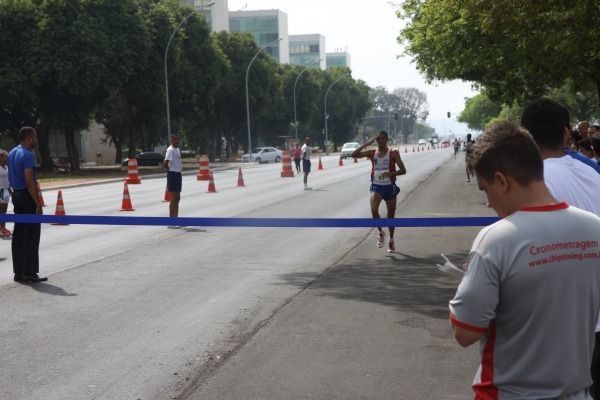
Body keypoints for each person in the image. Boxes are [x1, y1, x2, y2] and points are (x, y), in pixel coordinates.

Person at [450, 121, 600, 399]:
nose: (488, 203)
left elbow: (465, 332)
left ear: (502, 181)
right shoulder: (594, 228)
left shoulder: (496, 239)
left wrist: (474, 281)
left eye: (485, 190)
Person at [521, 99, 600, 398]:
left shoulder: (532, 181)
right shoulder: (592, 171)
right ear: (567, 134)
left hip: (568, 326)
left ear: (524, 136)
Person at [351, 130, 406, 252]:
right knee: (374, 210)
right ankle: (380, 232)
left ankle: (391, 240)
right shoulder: (372, 152)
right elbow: (354, 155)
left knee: (390, 216)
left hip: (389, 187)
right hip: (376, 186)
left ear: (386, 140)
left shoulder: (393, 153)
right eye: (378, 139)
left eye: (382, 139)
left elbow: (403, 170)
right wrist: (367, 143)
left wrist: (391, 173)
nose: (380, 141)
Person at [8, 126, 46, 283]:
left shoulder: (11, 153)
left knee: (18, 233)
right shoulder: (28, 155)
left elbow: (10, 176)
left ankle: (18, 271)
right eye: (35, 137)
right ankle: (29, 272)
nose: (36, 140)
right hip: (26, 195)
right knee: (31, 234)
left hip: (16, 194)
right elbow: (29, 181)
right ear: (28, 138)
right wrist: (38, 203)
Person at [163, 133, 182, 228]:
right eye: (175, 139)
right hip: (173, 174)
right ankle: (171, 220)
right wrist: (170, 170)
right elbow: (165, 164)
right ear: (171, 140)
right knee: (173, 198)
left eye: (178, 139)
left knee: (178, 197)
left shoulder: (177, 150)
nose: (177, 140)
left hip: (178, 174)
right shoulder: (170, 150)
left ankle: (176, 218)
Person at [0, 150, 11, 237]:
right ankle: (1, 229)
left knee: (4, 211)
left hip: (6, 190)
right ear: (0, 158)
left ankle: (3, 227)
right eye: (5, 157)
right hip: (0, 190)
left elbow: (8, 181)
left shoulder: (7, 168)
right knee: (1, 210)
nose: (7, 159)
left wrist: (11, 192)